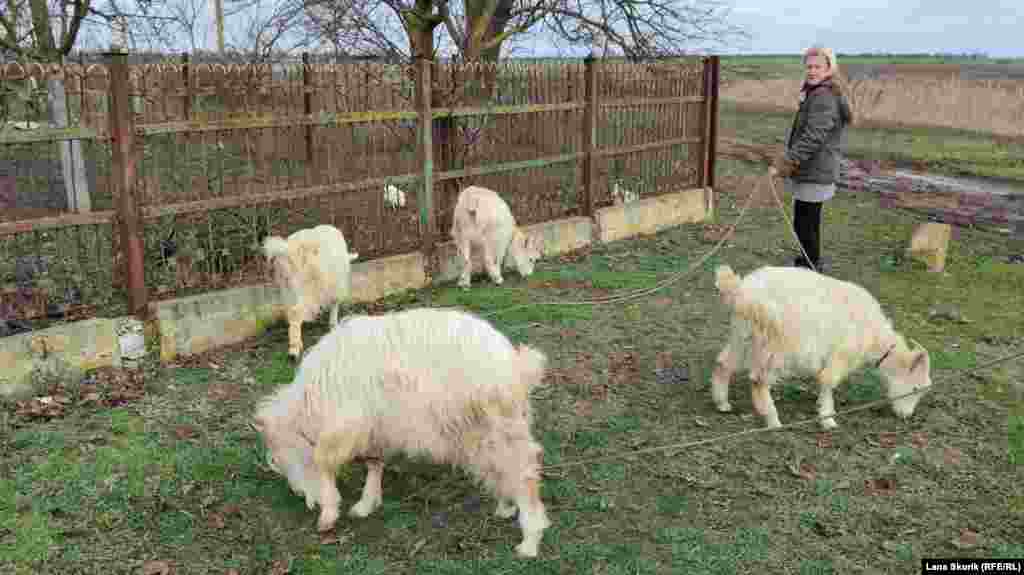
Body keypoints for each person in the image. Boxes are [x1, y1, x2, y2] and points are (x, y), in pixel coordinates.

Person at [770, 46, 853, 272]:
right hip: (812, 168)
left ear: (829, 68)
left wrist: (785, 163)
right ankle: (809, 261)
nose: (812, 71)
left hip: (816, 169)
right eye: (809, 66)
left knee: (805, 223)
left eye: (817, 67)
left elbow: (813, 137)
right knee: (806, 220)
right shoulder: (816, 92)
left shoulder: (824, 96)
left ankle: (810, 267)